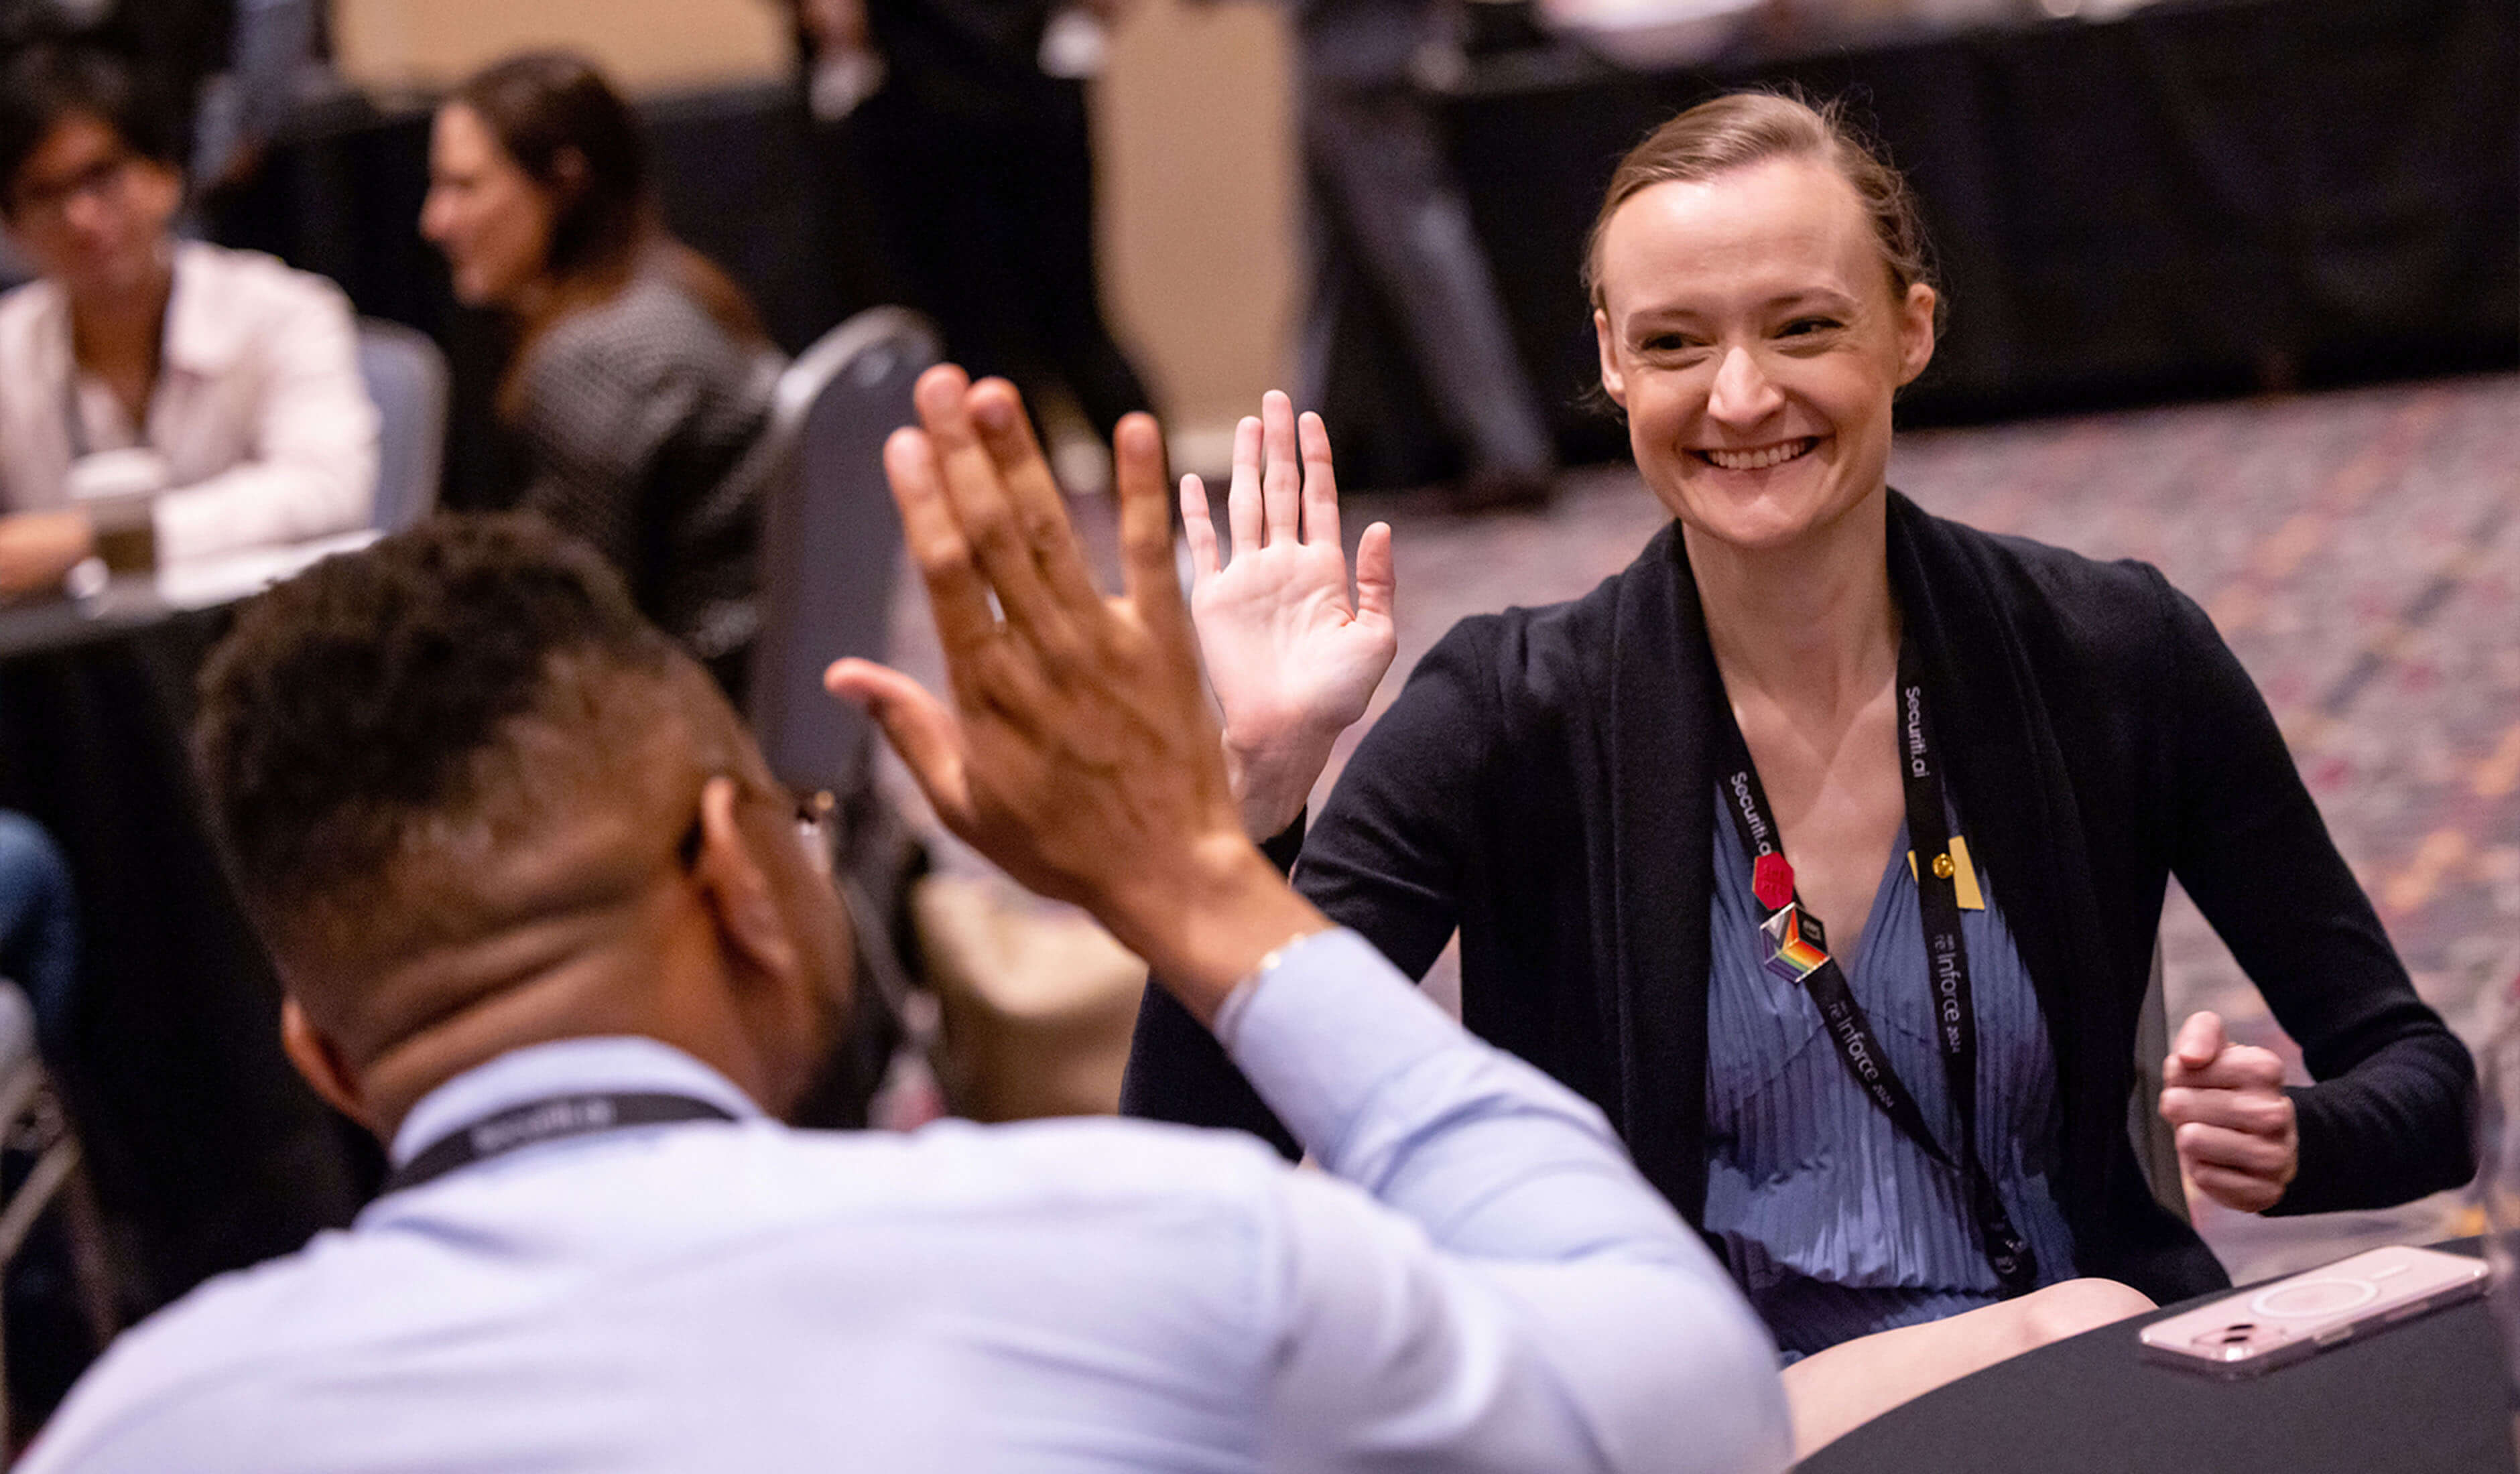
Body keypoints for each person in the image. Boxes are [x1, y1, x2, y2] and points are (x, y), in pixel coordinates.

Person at [15, 367, 1798, 1471]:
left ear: (323, 1058)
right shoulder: (1150, 1257)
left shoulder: (137, 1431)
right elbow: (1687, 1398)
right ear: (739, 880)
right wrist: (1196, 880)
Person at [1123, 90, 2475, 1412]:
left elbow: (2422, 1088)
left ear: (1909, 329)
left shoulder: (2108, 650)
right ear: (1607, 359)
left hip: (2070, 1398)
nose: (1739, 393)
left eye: (1801, 326)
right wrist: (1262, 795)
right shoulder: (1507, 713)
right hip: (1684, 1420)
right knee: (2094, 1318)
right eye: (1671, 343)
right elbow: (1193, 1179)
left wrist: (2299, 1137)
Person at [421, 50, 777, 697]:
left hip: (692, 704)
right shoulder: (686, 287)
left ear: (563, 182)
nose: (435, 221)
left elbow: (574, 622)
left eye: (464, 186)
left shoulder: (589, 360)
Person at [0, 40, 375, 597]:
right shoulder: (9, 347)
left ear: (165, 177)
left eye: (100, 177)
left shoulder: (286, 312)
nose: (81, 217)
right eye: (45, 193)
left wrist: (91, 538)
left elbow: (329, 492)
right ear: (12, 228)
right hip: (74, 675)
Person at [1291, 0, 1556, 508]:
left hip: (1368, 51)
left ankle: (1511, 449)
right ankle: (1298, 464)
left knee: (1427, 258)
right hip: (1336, 50)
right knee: (1328, 266)